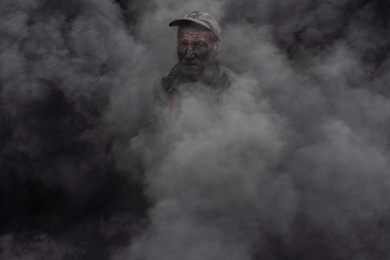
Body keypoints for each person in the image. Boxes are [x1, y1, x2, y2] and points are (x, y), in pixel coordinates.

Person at [153, 11, 243, 130]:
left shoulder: (236, 89)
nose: (188, 54)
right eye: (183, 44)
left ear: (216, 46)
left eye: (199, 45)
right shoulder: (163, 87)